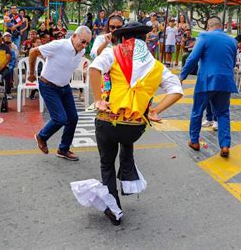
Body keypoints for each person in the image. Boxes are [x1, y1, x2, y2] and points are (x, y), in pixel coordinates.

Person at [87, 22, 183, 225]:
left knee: (106, 164)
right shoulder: (156, 64)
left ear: (122, 39)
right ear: (145, 40)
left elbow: (94, 68)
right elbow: (177, 89)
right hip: (135, 128)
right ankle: (128, 174)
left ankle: (114, 209)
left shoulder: (113, 53)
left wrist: (98, 100)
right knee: (126, 139)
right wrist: (156, 110)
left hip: (108, 123)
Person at [29, 26, 91, 161]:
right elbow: (33, 52)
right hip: (48, 85)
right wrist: (31, 73)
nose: (84, 45)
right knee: (60, 119)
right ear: (74, 36)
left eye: (87, 43)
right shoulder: (59, 45)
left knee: (73, 118)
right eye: (82, 41)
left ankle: (63, 149)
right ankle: (41, 136)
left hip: (64, 87)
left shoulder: (81, 51)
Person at [180, 16, 237, 158]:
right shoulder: (232, 41)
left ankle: (194, 141)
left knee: (197, 111)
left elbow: (193, 58)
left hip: (207, 81)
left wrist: (182, 75)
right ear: (221, 26)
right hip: (226, 81)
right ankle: (224, 145)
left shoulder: (204, 37)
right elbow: (233, 61)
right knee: (223, 113)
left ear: (208, 26)